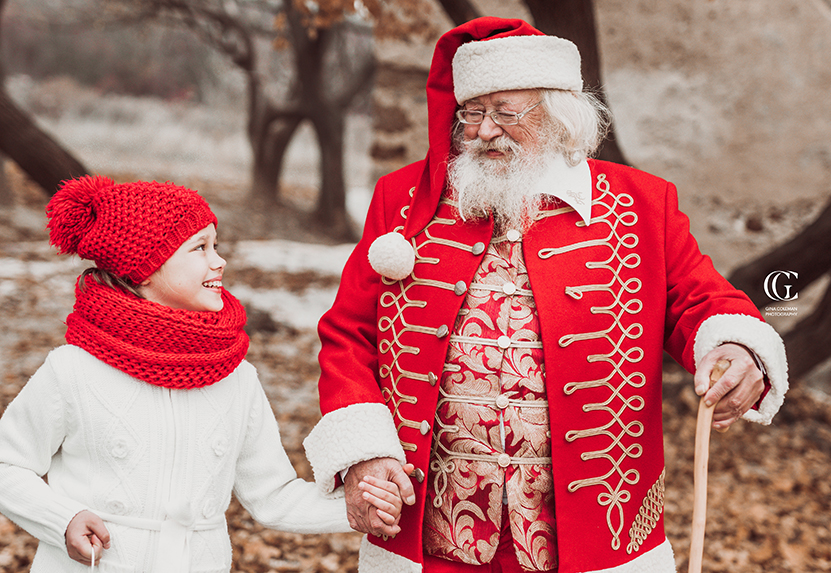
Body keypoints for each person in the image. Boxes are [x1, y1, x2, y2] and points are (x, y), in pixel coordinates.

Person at [302, 16, 789, 573]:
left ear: (559, 116)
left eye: (506, 113)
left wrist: (739, 351)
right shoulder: (404, 199)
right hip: (433, 542)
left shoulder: (641, 205)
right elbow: (349, 334)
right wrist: (364, 452)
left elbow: (702, 302)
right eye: (472, 113)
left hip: (593, 544)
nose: (484, 131)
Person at [0, 175, 408, 572]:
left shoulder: (235, 378)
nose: (220, 261)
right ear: (144, 267)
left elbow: (273, 495)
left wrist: (360, 505)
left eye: (217, 245)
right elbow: (7, 465)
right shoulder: (75, 370)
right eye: (200, 248)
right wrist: (61, 518)